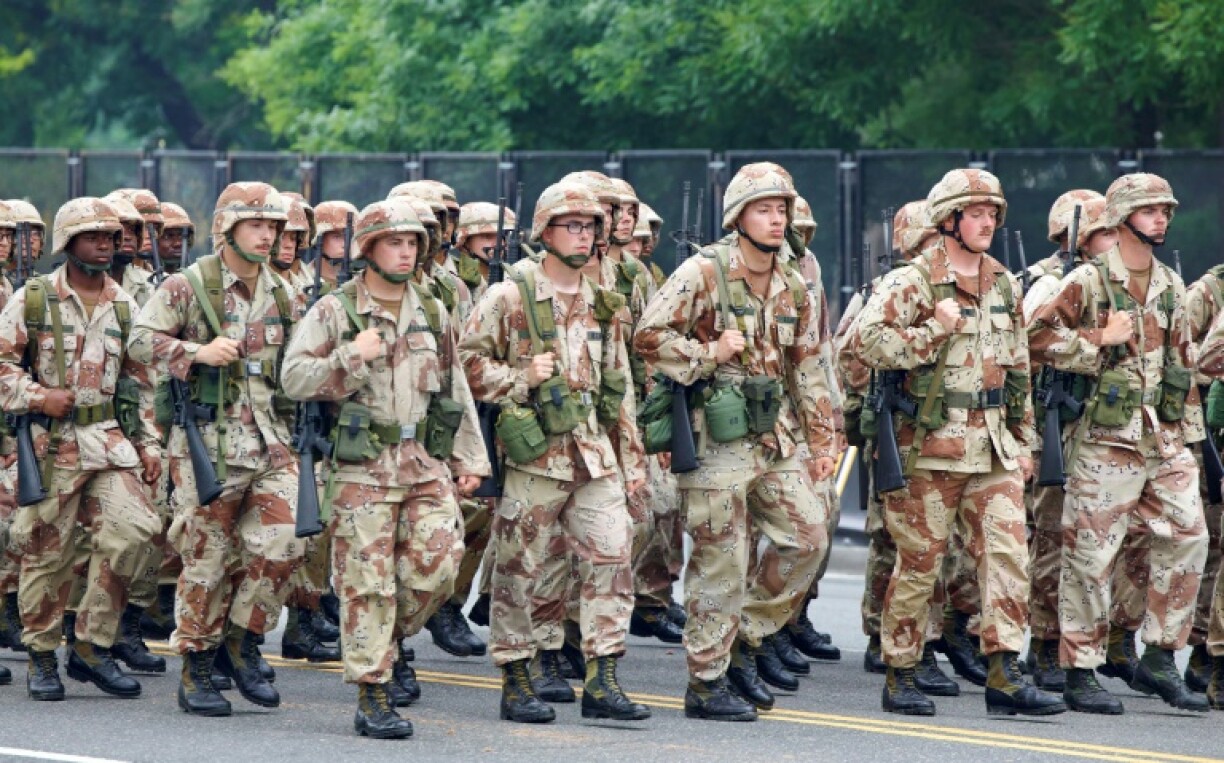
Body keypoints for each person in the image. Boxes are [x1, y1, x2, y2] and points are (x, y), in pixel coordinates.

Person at [853, 168, 1064, 717]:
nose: (988, 221)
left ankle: (1004, 672)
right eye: (976, 213)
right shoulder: (912, 281)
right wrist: (934, 330)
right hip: (930, 448)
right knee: (921, 563)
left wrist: (1022, 443)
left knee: (1007, 556)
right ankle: (900, 670)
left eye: (993, 213)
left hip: (993, 447)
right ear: (948, 220)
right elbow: (868, 345)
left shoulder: (1002, 281)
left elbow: (1018, 369)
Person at [634, 162, 834, 721]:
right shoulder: (704, 272)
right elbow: (648, 336)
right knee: (721, 560)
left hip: (774, 436)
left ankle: (745, 638)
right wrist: (707, 355)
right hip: (715, 436)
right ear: (739, 216)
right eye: (765, 209)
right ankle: (706, 680)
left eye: (782, 210)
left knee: (808, 538)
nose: (777, 219)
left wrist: (822, 440)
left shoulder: (793, 280)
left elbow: (809, 366)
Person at [282, 197, 488, 739]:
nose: (405, 251)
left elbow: (455, 387)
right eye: (394, 242)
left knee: (439, 568)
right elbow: (295, 380)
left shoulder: (432, 309)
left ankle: (383, 641)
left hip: (423, 463)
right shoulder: (334, 310)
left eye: (412, 243)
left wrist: (469, 457)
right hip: (361, 470)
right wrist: (352, 355)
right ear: (368, 249)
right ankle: (374, 691)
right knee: (366, 583)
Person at [459, 181, 650, 724]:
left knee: (612, 558)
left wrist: (631, 465)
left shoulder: (602, 302)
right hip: (534, 457)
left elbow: (620, 388)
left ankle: (602, 677)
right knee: (522, 570)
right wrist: (520, 377)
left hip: (594, 455)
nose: (584, 236)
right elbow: (466, 369)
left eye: (591, 227)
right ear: (544, 233)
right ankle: (517, 678)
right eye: (573, 226)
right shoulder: (509, 296)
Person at [1029, 172, 1209, 714]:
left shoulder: (1171, 284)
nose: (1162, 219)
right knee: (1091, 554)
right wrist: (1094, 342)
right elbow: (1031, 337)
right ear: (1125, 215)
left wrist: (1191, 441)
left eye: (1166, 211)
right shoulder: (1088, 281)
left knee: (1189, 535)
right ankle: (1079, 668)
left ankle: (1159, 653)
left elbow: (1182, 365)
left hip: (1161, 436)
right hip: (1105, 440)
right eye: (1152, 210)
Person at [128, 181, 306, 717]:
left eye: (273, 227)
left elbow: (295, 368)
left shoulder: (283, 293)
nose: (267, 235)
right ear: (227, 228)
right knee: (206, 559)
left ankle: (242, 639)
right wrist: (195, 351)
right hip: (208, 446)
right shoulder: (190, 284)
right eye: (256, 225)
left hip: (272, 444)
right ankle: (197, 666)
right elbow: (139, 339)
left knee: (287, 542)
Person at [0, 197, 161, 700]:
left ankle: (92, 645)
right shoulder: (33, 298)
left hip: (109, 442)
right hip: (52, 446)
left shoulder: (124, 304)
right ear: (66, 244)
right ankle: (43, 655)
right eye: (92, 236)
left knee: (135, 534)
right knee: (46, 552)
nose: (104, 245)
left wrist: (150, 443)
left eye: (110, 237)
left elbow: (143, 380)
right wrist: (37, 396)